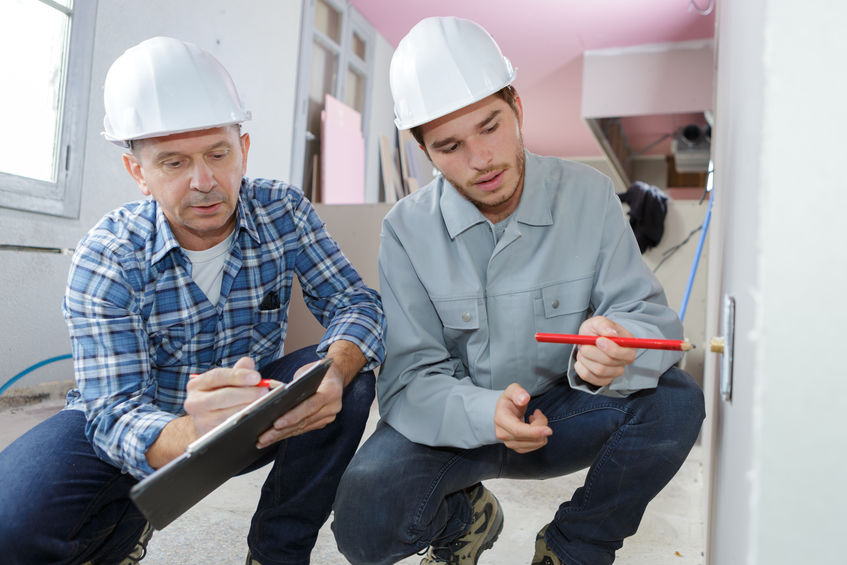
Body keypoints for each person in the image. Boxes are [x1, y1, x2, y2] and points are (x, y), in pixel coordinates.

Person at [332, 16, 705, 565]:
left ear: (518, 109)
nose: (481, 159)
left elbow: (643, 314)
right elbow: (410, 380)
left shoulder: (589, 196)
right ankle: (466, 518)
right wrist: (486, 414)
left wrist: (617, 343)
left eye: (490, 126)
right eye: (450, 145)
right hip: (455, 424)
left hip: (561, 414)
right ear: (425, 152)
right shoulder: (405, 231)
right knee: (363, 524)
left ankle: (573, 545)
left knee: (676, 401)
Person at [0, 37, 384, 565]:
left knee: (348, 374)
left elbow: (356, 301)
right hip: (138, 426)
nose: (203, 183)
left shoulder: (283, 213)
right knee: (11, 524)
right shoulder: (108, 255)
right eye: (174, 162)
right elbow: (112, 416)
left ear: (243, 149)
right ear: (139, 173)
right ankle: (122, 530)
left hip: (254, 415)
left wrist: (336, 369)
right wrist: (191, 434)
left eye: (218, 155)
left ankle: (277, 553)